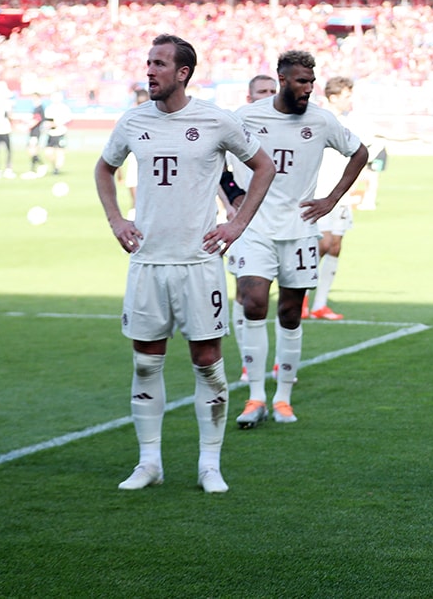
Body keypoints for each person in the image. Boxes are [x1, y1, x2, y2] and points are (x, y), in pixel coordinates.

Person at [94, 34, 276, 493]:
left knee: (207, 361)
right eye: (147, 63)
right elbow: (103, 169)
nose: (149, 71)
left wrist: (237, 226)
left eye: (158, 64)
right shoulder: (132, 121)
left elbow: (264, 167)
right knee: (145, 363)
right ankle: (149, 462)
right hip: (148, 263)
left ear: (183, 73)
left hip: (199, 264)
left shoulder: (216, 119)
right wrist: (117, 219)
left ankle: (209, 465)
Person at [228, 51, 368, 429]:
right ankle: (255, 395)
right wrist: (231, 195)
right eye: (301, 81)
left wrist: (331, 199)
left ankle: (283, 398)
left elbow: (359, 153)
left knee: (290, 314)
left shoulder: (321, 120)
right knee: (253, 303)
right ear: (283, 79)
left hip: (300, 229)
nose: (308, 88)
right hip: (254, 229)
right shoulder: (247, 116)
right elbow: (215, 157)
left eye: (311, 81)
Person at [227, 74, 278, 373]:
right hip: (245, 220)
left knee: (277, 294)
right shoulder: (236, 125)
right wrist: (231, 202)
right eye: (262, 91)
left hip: (279, 221)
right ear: (249, 97)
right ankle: (249, 360)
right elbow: (218, 166)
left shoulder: (285, 126)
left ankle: (271, 358)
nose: (268, 95)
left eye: (273, 91)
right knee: (245, 291)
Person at [308, 75, 365, 321]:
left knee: (335, 246)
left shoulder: (350, 122)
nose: (349, 100)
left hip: (340, 193)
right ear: (332, 97)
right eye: (346, 96)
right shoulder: (318, 120)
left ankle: (319, 304)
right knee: (320, 245)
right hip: (319, 192)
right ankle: (299, 296)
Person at [44, 92, 71, 175]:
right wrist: (48, 125)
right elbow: (48, 121)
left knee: (60, 152)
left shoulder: (64, 108)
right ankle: (54, 166)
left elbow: (68, 120)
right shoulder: (49, 109)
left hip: (60, 133)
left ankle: (57, 169)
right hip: (51, 133)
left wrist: (58, 123)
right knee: (48, 152)